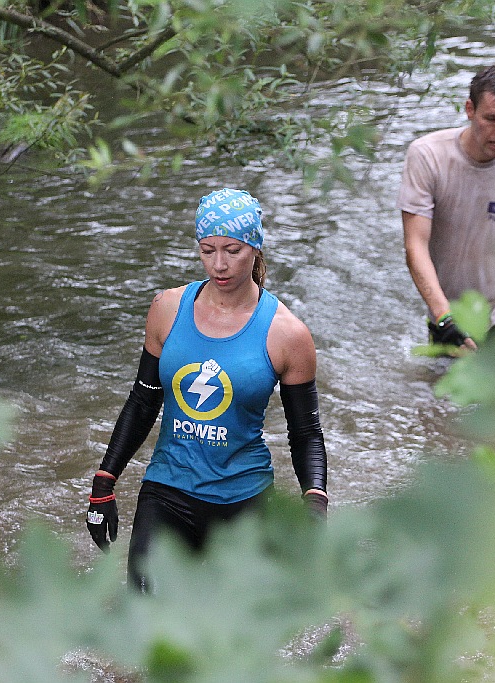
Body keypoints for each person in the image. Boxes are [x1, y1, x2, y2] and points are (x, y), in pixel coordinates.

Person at [85, 188, 328, 592]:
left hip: (245, 503)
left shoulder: (287, 334)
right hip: (168, 490)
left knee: (231, 642)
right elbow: (143, 400)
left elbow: (305, 434)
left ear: (255, 247)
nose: (219, 264)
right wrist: (104, 482)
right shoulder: (167, 308)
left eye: (232, 250)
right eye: (207, 250)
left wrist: (315, 502)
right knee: (147, 618)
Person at [397, 62, 495, 352]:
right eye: (492, 119)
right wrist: (444, 317)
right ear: (470, 109)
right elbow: (415, 244)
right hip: (448, 309)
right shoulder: (428, 156)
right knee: (442, 396)